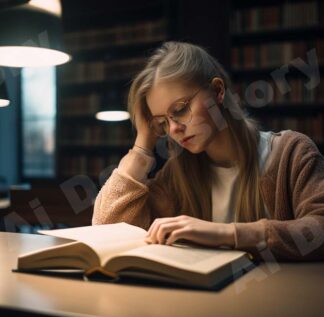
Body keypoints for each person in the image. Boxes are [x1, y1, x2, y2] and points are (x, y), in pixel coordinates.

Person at [92, 41, 324, 261]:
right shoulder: (177, 173)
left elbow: (319, 230)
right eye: (162, 122)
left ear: (218, 90)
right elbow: (106, 231)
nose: (173, 129)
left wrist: (225, 234)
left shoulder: (291, 153)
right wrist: (143, 142)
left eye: (181, 109)